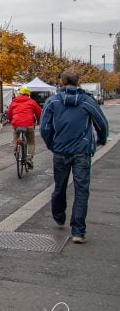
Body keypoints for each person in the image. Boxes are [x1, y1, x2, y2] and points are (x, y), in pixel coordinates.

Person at [40, 69, 108, 244]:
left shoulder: (52, 101)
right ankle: (78, 231)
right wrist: (101, 140)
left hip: (61, 151)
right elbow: (101, 123)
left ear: (61, 82)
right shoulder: (87, 101)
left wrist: (51, 144)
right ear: (78, 82)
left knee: (60, 186)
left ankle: (59, 215)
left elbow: (45, 127)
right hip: (82, 151)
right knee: (81, 191)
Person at [6, 86, 42, 169]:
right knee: (31, 142)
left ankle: (15, 148)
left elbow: (9, 113)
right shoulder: (32, 102)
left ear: (20, 94)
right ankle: (29, 158)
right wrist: (38, 122)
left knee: (15, 136)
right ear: (28, 95)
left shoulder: (14, 102)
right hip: (29, 125)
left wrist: (11, 121)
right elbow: (39, 112)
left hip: (16, 124)